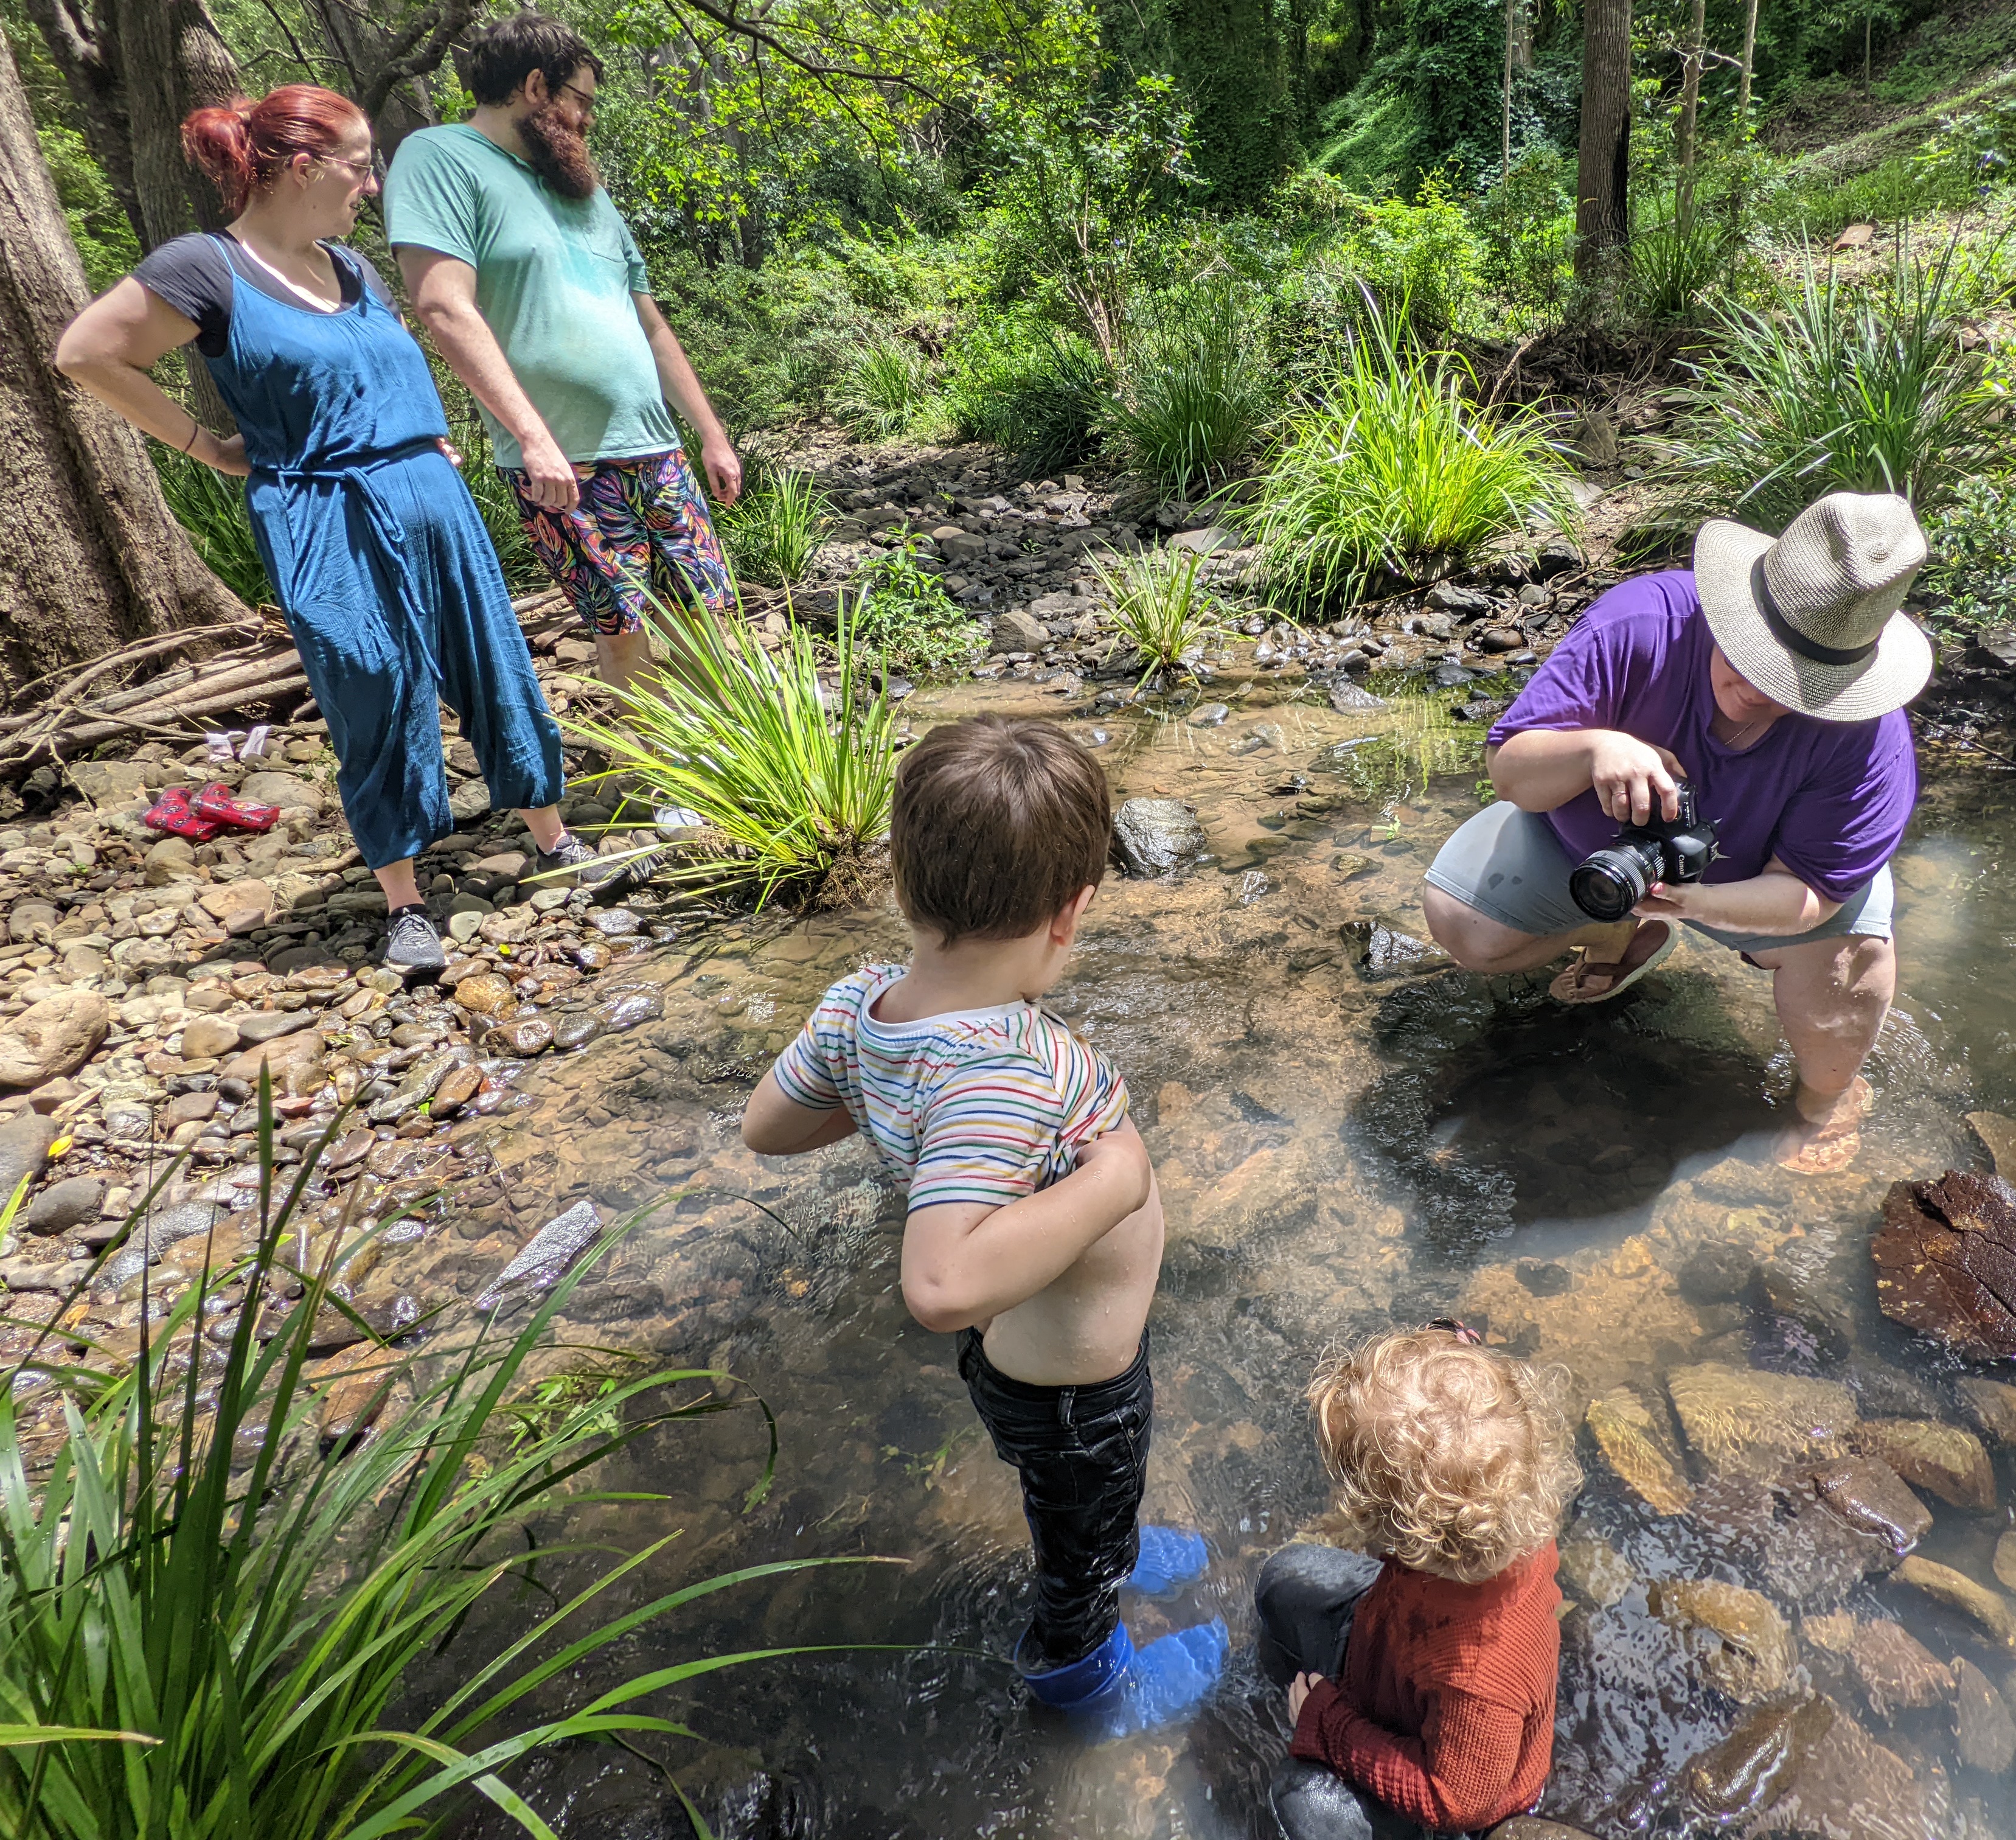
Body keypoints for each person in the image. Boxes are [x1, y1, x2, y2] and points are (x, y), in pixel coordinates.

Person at [55, 86, 614, 977]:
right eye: (361, 166)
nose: (372, 184)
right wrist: (208, 448)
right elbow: (85, 352)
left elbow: (374, 369)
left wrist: (422, 434)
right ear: (305, 167)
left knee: (491, 659)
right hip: (320, 510)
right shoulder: (207, 268)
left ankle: (551, 838)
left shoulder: (350, 266)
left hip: (429, 494)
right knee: (368, 684)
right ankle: (406, 902)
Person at [740, 716, 1225, 1738]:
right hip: (1074, 1391)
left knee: (1080, 1502)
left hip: (1020, 1362)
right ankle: (1085, 1678)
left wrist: (880, 1096)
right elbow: (941, 1284)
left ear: (901, 881)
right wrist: (1120, 1179)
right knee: (1074, 1539)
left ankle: (1114, 1541)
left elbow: (768, 1125)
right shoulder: (1006, 1067)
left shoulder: (860, 1004)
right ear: (1071, 910)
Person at [1420, 492, 1932, 1175]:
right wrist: (1595, 750)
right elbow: (1511, 775)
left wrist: (1694, 903)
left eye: (1795, 683)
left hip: (1758, 887)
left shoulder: (1869, 738)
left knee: (1851, 962)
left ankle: (1824, 1100)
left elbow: (1811, 894)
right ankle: (1616, 931)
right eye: (1751, 657)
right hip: (1593, 853)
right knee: (1462, 921)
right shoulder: (1641, 623)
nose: (1758, 691)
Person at [384, 13, 741, 699]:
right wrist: (532, 437)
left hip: (654, 448)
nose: (586, 119)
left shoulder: (585, 189)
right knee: (623, 627)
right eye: (581, 100)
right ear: (535, 86)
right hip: (562, 461)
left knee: (704, 610)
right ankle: (659, 790)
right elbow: (442, 306)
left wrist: (711, 433)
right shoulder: (439, 157)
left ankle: (728, 777)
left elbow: (650, 323)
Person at [1256, 1324, 1579, 1840]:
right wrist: (1447, 1346)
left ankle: (1302, 1712)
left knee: (1302, 1805)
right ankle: (1298, 1689)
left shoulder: (1481, 1677)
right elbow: (1455, 1429)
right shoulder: (1503, 1514)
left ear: (1409, 1536)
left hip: (1442, 1784)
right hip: (1391, 1645)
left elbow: (1454, 1800)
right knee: (1280, 1581)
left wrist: (1330, 1725)